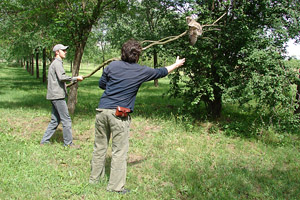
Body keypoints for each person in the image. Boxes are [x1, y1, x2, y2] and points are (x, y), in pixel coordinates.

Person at [89, 39, 185, 194]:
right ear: (137, 56)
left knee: (99, 147)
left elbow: (102, 84)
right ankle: (115, 187)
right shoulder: (141, 71)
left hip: (102, 111)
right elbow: (161, 71)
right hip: (118, 115)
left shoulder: (111, 66)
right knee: (119, 151)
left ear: (122, 53)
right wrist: (176, 64)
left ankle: (94, 180)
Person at [40, 44, 83, 147]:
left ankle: (44, 141)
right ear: (57, 52)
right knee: (66, 120)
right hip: (57, 96)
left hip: (54, 95)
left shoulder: (55, 63)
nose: (65, 52)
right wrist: (75, 78)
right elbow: (62, 77)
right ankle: (68, 144)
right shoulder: (57, 63)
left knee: (55, 120)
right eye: (63, 50)